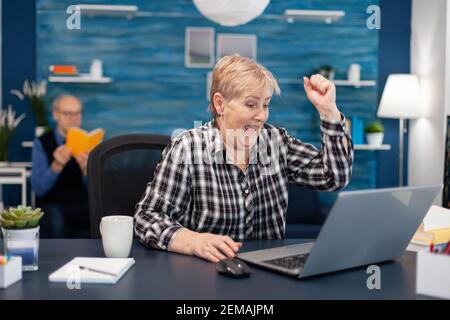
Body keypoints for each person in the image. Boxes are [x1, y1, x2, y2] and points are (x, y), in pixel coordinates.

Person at [134, 54, 354, 263]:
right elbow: (147, 217)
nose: (261, 116)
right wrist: (192, 241)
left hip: (270, 275)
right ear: (220, 104)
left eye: (266, 104)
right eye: (251, 104)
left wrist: (329, 111)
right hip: (205, 275)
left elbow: (334, 177)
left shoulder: (275, 141)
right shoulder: (188, 148)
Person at [31, 95, 90, 238]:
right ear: (55, 114)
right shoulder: (42, 142)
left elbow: (97, 191)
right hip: (52, 205)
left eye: (77, 113)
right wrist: (56, 165)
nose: (73, 118)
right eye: (67, 113)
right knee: (56, 220)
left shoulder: (89, 143)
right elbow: (38, 189)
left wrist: (86, 170)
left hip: (82, 206)